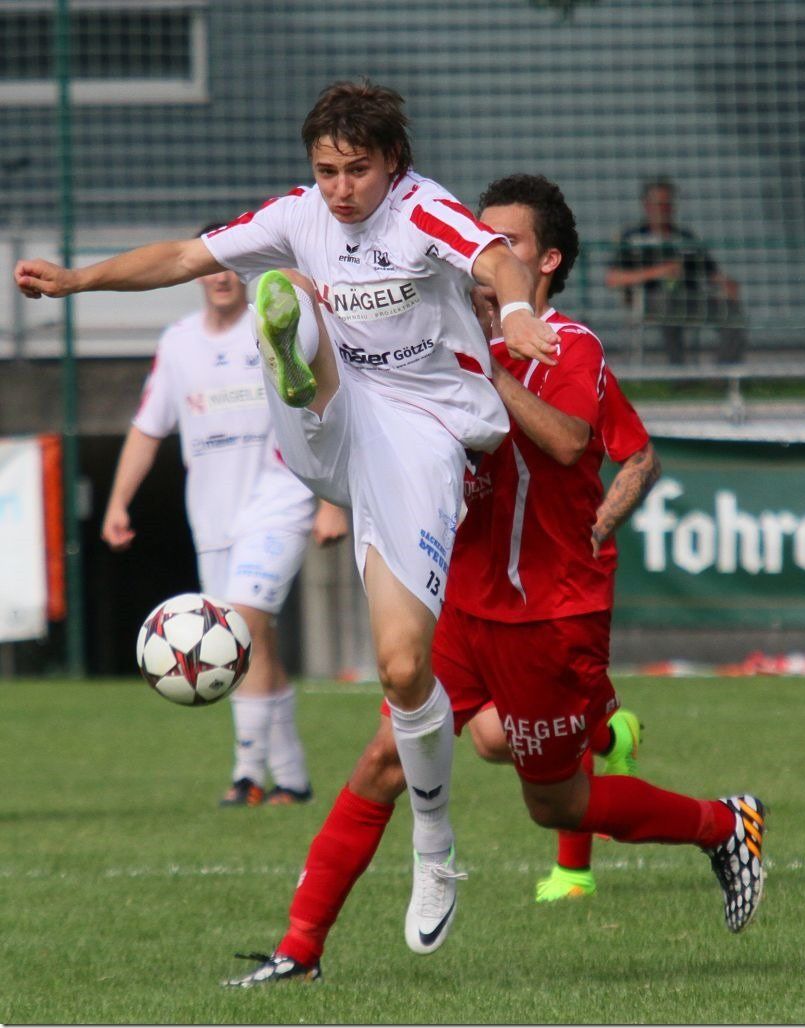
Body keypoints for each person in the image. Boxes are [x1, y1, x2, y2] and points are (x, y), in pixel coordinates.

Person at [15, 81, 559, 948]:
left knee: (401, 669)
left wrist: (520, 310)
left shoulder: (423, 210)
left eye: (356, 170)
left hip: (423, 433)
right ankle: (292, 354)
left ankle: (434, 844)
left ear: (392, 164)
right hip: (332, 419)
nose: (339, 189)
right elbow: (184, 255)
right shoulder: (299, 214)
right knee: (286, 288)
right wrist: (81, 279)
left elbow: (497, 260)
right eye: (326, 170)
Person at [221, 174, 764, 988]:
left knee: (557, 804)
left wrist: (492, 373)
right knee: (385, 760)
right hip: (462, 601)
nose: (480, 253)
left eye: (503, 242)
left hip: (546, 613)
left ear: (545, 262)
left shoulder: (569, 346)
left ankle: (722, 825)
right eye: (478, 237)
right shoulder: (439, 333)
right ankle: (299, 951)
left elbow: (572, 441)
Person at [101, 228, 349, 806]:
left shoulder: (273, 326)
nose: (219, 277)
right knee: (252, 641)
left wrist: (332, 500)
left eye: (231, 267)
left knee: (240, 624)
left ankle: (247, 775)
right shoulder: (179, 342)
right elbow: (148, 427)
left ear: (245, 273)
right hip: (212, 516)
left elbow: (331, 402)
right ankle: (293, 779)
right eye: (209, 266)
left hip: (279, 498)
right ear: (194, 273)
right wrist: (117, 501)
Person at [605, 178, 747, 364]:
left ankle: (724, 372)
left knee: (730, 311)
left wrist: (726, 284)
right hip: (651, 300)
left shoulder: (685, 237)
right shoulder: (633, 238)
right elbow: (613, 279)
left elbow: (711, 271)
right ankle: (678, 369)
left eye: (667, 204)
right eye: (658, 204)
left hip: (690, 299)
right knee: (669, 307)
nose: (663, 209)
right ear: (646, 205)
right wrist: (658, 271)